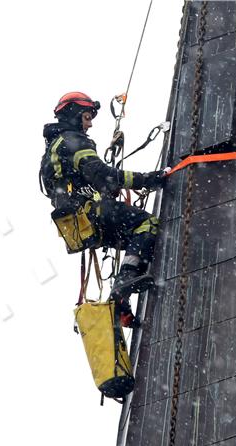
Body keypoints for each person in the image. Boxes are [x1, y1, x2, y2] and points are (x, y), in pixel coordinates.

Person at [40, 92, 165, 327]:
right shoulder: (72, 140)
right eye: (87, 117)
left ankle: (121, 305)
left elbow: (81, 182)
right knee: (148, 225)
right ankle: (124, 281)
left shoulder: (53, 150)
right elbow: (104, 174)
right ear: (75, 116)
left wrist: (105, 190)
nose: (90, 123)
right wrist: (150, 179)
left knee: (140, 246)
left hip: (82, 227)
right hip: (93, 213)